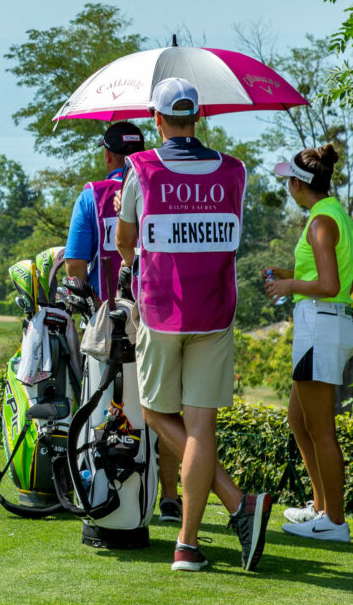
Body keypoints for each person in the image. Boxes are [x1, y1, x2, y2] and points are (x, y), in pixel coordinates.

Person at [115, 77, 271, 572]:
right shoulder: (234, 171)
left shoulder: (140, 169)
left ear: (157, 120)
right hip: (216, 311)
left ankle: (234, 503)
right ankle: (188, 544)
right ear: (197, 117)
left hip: (162, 312)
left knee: (157, 415)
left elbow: (125, 241)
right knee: (201, 425)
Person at [65, 122, 183, 523]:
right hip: (159, 317)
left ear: (107, 154)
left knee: (103, 410)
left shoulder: (92, 195)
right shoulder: (160, 189)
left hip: (108, 324)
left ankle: (101, 488)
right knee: (164, 409)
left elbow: (75, 266)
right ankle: (167, 497)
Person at [266, 145, 351, 543]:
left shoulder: (320, 222)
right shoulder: (333, 214)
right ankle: (320, 507)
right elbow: (326, 273)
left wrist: (289, 285)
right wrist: (290, 272)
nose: (287, 185)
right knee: (299, 421)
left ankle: (334, 521)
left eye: (288, 179)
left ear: (299, 184)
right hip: (323, 326)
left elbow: (329, 286)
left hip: (321, 326)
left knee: (321, 431)